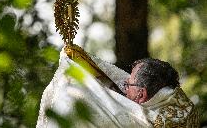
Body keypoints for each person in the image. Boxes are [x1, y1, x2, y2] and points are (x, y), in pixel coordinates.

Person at [36, 45, 199, 127]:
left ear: (141, 94)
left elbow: (102, 109)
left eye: (128, 84)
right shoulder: (184, 108)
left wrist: (69, 69)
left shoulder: (143, 122)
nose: (123, 85)